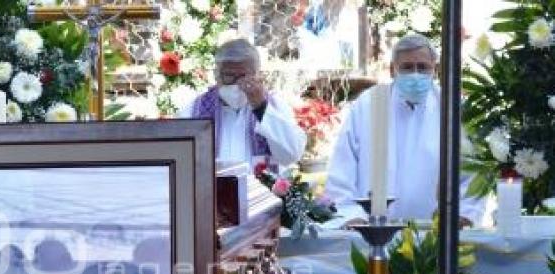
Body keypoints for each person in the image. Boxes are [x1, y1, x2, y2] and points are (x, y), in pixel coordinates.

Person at [324, 34, 486, 227]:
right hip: (373, 230)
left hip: (438, 232)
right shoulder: (368, 105)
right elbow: (343, 167)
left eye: (423, 67)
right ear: (393, 70)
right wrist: (351, 215)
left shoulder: (452, 107)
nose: (416, 75)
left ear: (434, 69)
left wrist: (464, 214)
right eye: (407, 67)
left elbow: (474, 170)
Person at [179, 38, 306, 168]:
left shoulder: (276, 107)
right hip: (213, 187)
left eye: (244, 77)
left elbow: (291, 155)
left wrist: (261, 109)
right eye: (229, 76)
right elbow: (181, 161)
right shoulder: (193, 111)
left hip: (262, 187)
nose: (237, 84)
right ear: (216, 75)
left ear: (257, 75)